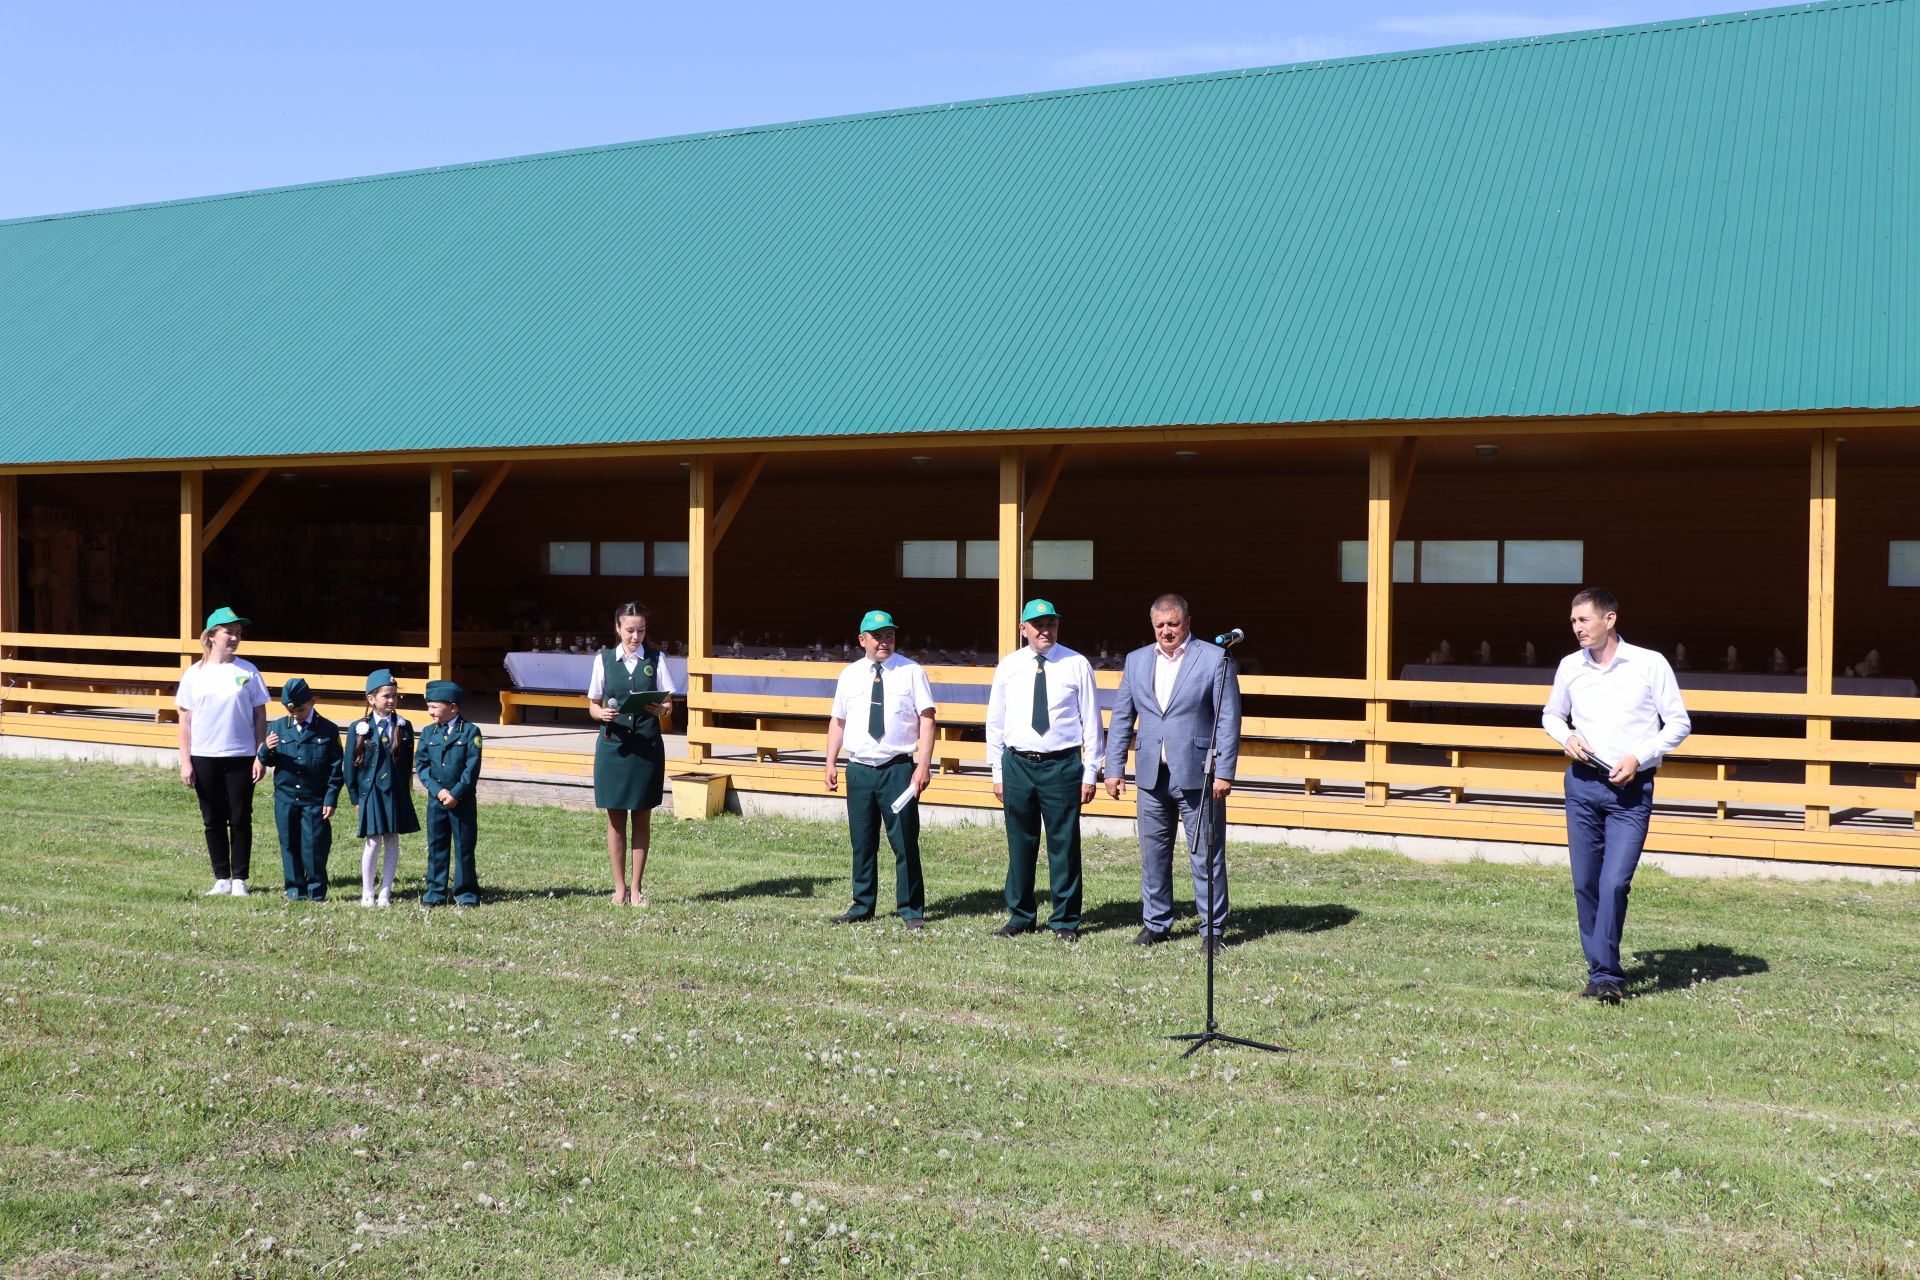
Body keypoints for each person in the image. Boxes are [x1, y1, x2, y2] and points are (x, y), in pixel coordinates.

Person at [1542, 587, 1691, 1004]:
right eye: (1573, 621)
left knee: (1613, 884)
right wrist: (1565, 736)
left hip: (1631, 791)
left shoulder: (1648, 664)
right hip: (1583, 785)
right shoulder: (1570, 667)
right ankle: (1603, 975)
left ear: (1609, 620)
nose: (1577, 628)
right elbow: (1551, 713)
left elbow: (1678, 723)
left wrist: (1639, 756)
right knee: (1585, 884)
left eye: (1584, 620)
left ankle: (1605, 975)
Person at [1104, 594, 1242, 955]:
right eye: (1160, 625)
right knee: (1153, 853)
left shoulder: (1215, 659)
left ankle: (1212, 929)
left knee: (1206, 854)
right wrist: (1113, 769)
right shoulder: (1135, 661)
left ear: (1187, 622)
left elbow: (1228, 719)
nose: (1167, 631)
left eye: (1173, 624)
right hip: (1151, 774)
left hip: (1199, 773)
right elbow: (1121, 719)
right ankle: (1156, 923)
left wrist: (1224, 771)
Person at [985, 599, 1102, 942]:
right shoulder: (1009, 666)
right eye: (1037, 625)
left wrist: (1090, 770)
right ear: (1024, 630)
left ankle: (1065, 920)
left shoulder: (1076, 664)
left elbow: (1091, 720)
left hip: (1062, 765)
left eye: (1050, 624)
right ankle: (1020, 915)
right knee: (1020, 841)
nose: (1045, 631)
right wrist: (997, 771)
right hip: (1018, 763)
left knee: (1063, 844)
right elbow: (995, 720)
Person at [822, 609, 936, 929]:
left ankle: (911, 909)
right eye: (878, 636)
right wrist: (831, 760)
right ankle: (862, 905)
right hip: (859, 768)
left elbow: (927, 720)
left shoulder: (912, 672)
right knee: (862, 841)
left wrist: (923, 766)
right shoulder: (850, 675)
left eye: (889, 635)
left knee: (904, 842)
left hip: (897, 768)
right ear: (862, 640)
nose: (885, 641)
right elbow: (838, 720)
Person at [175, 606, 270, 897]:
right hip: (205, 756)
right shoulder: (194, 674)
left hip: (241, 755)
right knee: (212, 818)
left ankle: (240, 878)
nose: (234, 638)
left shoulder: (248, 671)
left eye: (238, 633)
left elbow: (260, 716)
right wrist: (185, 761)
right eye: (229, 632)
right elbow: (185, 721)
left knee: (240, 817)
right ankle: (222, 878)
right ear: (211, 636)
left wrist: (259, 754)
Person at [587, 602, 676, 906]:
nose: (635, 636)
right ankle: (619, 888)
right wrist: (602, 715)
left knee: (641, 816)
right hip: (614, 746)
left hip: (647, 746)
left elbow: (668, 705)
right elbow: (592, 705)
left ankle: (636, 887)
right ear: (617, 629)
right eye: (630, 630)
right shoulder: (603, 660)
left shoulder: (656, 658)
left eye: (641, 630)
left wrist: (660, 710)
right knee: (614, 819)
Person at [257, 677, 344, 902]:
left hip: (314, 798)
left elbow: (336, 768)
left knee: (314, 846)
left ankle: (316, 891)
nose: (295, 714)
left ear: (312, 702)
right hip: (286, 797)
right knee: (289, 843)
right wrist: (266, 749)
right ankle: (295, 889)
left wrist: (331, 798)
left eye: (301, 709)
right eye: (290, 709)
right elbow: (267, 760)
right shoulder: (277, 727)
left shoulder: (327, 729)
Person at [342, 668, 418, 907]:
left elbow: (407, 762)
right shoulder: (359, 727)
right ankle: (367, 892)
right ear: (371, 698)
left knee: (392, 839)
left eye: (394, 696)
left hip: (395, 790)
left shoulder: (404, 726)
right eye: (386, 696)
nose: (391, 700)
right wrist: (355, 798)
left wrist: (406, 791)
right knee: (373, 840)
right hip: (371, 790)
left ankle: (385, 891)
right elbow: (349, 766)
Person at [417, 680, 483, 908]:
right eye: (429, 707)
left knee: (464, 846)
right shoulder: (427, 733)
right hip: (437, 801)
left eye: (434, 707)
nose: (430, 712)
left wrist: (455, 793)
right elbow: (422, 766)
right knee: (436, 845)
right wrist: (438, 791)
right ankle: (435, 891)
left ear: (453, 708)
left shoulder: (471, 732)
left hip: (461, 801)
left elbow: (471, 769)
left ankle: (466, 892)